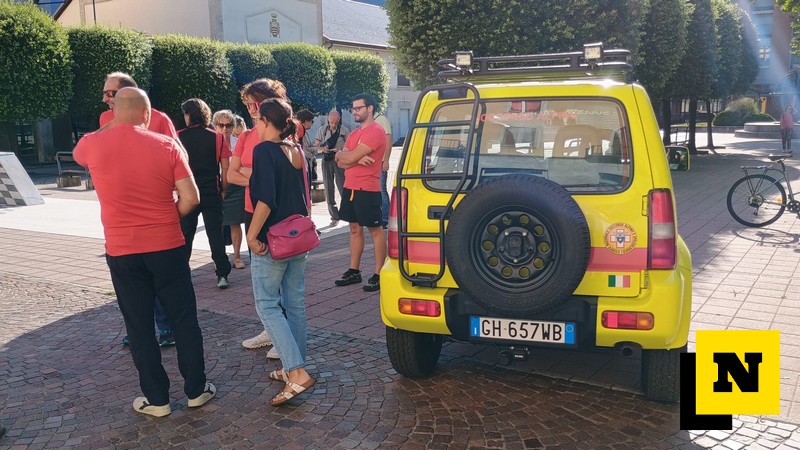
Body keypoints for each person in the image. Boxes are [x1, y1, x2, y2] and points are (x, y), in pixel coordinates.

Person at [74, 87, 215, 417]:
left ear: (114, 111)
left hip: (122, 248)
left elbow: (82, 151)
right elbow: (191, 198)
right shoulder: (166, 145)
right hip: (166, 245)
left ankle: (157, 399)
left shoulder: (92, 143)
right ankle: (196, 390)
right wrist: (167, 218)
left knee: (138, 326)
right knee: (183, 319)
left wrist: (115, 119)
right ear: (147, 114)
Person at [247, 98, 316, 407]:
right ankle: (294, 366)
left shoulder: (264, 150)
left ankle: (296, 371)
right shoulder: (295, 149)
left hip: (272, 239)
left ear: (265, 121)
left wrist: (251, 235)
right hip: (298, 237)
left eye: (257, 120)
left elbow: (266, 200)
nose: (255, 125)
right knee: (294, 303)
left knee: (267, 304)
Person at [99, 71, 174, 347]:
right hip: (120, 215)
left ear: (126, 93)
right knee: (129, 281)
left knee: (157, 274)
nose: (105, 99)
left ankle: (166, 328)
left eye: (109, 93)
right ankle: (138, 329)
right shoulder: (105, 120)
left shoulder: (159, 119)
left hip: (154, 210)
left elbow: (178, 156)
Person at [227, 78, 288, 355]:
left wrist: (251, 174)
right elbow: (231, 174)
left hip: (279, 212)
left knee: (282, 277)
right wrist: (259, 177)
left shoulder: (284, 132)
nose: (251, 110)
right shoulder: (246, 136)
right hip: (252, 210)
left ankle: (283, 337)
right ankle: (271, 330)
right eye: (248, 104)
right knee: (262, 277)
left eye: (255, 104)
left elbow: (283, 175)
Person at [334, 93, 387, 292]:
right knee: (354, 229)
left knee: (375, 230)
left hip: (368, 188)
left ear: (370, 108)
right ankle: (354, 270)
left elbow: (347, 158)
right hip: (350, 187)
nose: (354, 112)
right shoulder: (355, 134)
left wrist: (349, 156)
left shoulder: (376, 131)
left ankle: (379, 274)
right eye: (353, 108)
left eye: (358, 108)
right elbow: (340, 161)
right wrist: (352, 157)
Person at [178, 99, 233, 289]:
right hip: (211, 192)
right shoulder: (217, 138)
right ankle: (222, 274)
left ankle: (181, 273)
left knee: (185, 234)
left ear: (188, 115)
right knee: (215, 234)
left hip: (187, 192)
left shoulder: (178, 136)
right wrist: (223, 190)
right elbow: (225, 169)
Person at [214, 109, 247, 269]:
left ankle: (237, 256)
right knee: (217, 224)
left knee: (235, 222)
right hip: (216, 186)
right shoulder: (211, 142)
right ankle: (219, 258)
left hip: (235, 186)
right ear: (215, 126)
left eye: (228, 125)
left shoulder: (238, 143)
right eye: (221, 125)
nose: (224, 129)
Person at [314, 110, 349, 226]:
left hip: (339, 160)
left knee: (343, 187)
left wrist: (341, 150)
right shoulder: (322, 130)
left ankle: (347, 213)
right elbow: (316, 146)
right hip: (326, 160)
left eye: (335, 123)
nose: (333, 125)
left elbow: (350, 146)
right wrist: (323, 149)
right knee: (328, 188)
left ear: (339, 120)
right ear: (328, 119)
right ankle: (334, 216)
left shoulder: (344, 130)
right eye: (331, 122)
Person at [373, 110, 393, 229]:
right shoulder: (370, 122)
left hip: (380, 162)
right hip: (373, 162)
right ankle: (381, 216)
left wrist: (386, 160)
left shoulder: (381, 120)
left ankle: (385, 218)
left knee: (381, 189)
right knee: (376, 190)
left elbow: (388, 141)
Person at [295, 109, 316, 186]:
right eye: (312, 121)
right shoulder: (299, 131)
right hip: (303, 163)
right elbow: (305, 149)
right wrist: (316, 149)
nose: (312, 124)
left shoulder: (303, 131)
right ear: (306, 121)